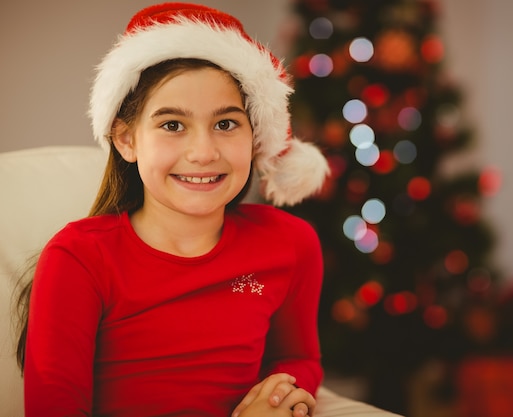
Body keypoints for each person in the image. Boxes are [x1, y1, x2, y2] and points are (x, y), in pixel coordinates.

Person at [15, 3, 329, 416]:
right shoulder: (78, 258)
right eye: (172, 125)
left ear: (254, 137)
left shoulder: (289, 242)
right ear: (126, 140)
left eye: (225, 124)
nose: (203, 152)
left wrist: (282, 398)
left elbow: (299, 359)